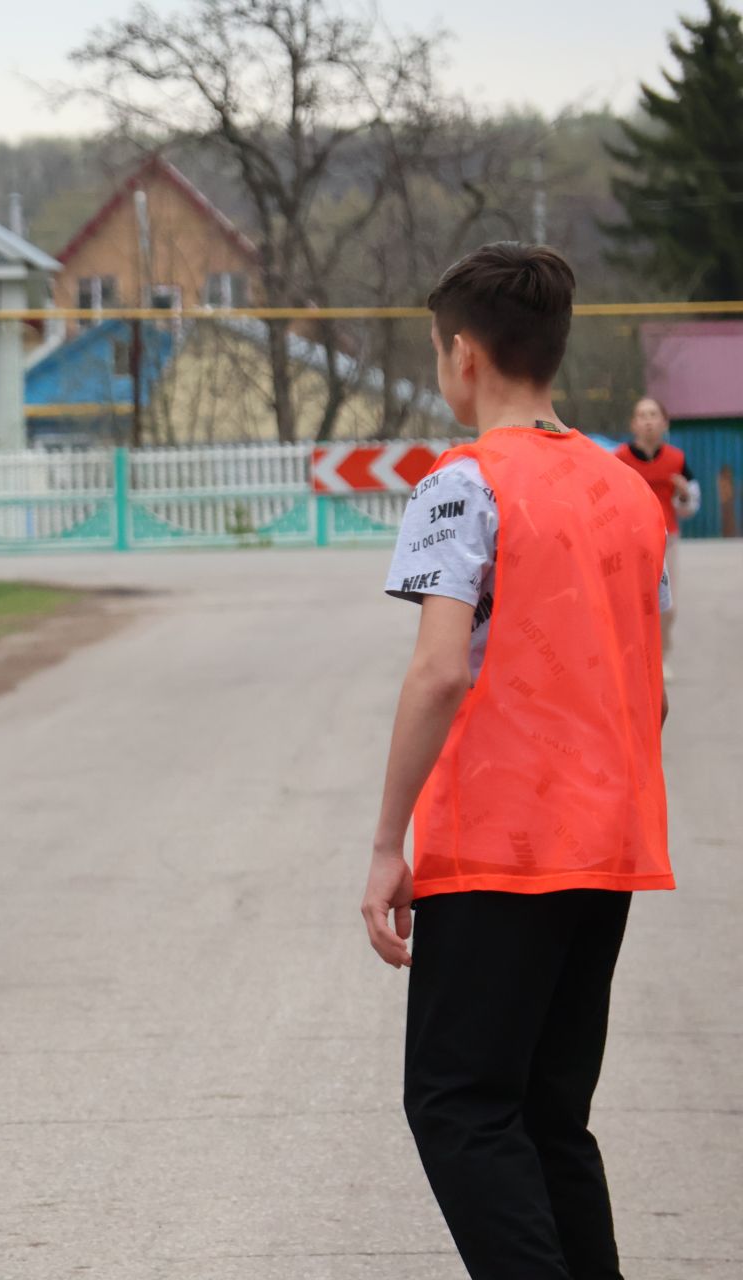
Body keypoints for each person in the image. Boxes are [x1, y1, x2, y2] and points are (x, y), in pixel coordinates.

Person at [360, 243, 673, 1280]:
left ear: (460, 355)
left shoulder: (463, 482)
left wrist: (384, 843)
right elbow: (653, 686)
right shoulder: (628, 491)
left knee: (457, 1104)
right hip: (611, 842)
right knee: (548, 1115)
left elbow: (440, 670)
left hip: (500, 842)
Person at [613, 396, 697, 676]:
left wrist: (684, 494)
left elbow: (691, 505)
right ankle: (633, 657)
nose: (648, 420)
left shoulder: (677, 460)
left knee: (667, 606)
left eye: (653, 415)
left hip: (667, 539)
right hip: (629, 541)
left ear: (664, 422)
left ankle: (661, 657)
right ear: (633, 424)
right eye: (642, 415)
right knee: (632, 602)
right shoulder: (619, 459)